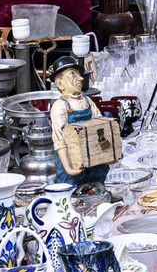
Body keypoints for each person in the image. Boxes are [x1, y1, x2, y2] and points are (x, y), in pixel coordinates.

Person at [47, 57, 111, 187]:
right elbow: (59, 141)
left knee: (97, 183)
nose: (81, 78)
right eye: (72, 74)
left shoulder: (87, 101)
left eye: (79, 74)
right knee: (70, 187)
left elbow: (101, 128)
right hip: (72, 159)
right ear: (60, 84)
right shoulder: (60, 106)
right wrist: (69, 168)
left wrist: (107, 153)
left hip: (93, 158)